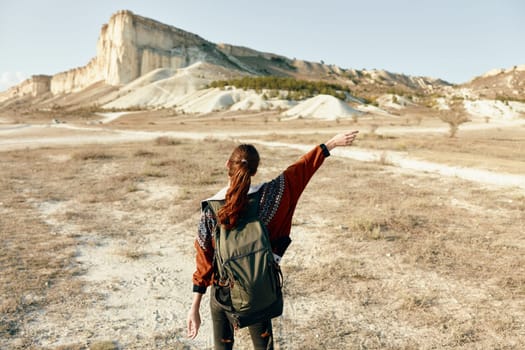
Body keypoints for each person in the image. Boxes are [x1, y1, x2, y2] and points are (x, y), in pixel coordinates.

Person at [187, 130, 359, 349]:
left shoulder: (211, 210)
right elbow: (300, 171)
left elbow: (204, 262)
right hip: (259, 290)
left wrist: (194, 308)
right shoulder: (272, 196)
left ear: (226, 165)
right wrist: (329, 145)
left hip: (223, 296)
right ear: (255, 170)